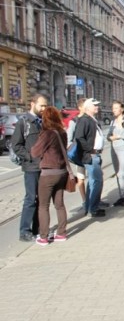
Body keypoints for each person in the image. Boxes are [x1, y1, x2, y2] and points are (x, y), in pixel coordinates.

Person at [30, 107, 70, 245]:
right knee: (59, 205)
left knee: (43, 206)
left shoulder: (47, 134)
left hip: (48, 174)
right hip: (62, 172)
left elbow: (35, 152)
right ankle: (61, 233)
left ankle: (44, 236)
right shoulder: (62, 133)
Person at [13, 94, 48, 241]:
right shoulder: (24, 122)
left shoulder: (44, 122)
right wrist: (29, 157)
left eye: (45, 106)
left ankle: (37, 229)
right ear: (32, 104)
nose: (44, 108)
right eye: (41, 105)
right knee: (30, 199)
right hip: (31, 168)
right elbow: (16, 145)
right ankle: (24, 231)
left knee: (41, 199)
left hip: (44, 167)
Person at [75, 98, 106, 217]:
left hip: (95, 154)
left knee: (93, 182)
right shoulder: (84, 120)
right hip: (91, 155)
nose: (97, 107)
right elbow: (79, 137)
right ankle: (93, 208)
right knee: (96, 181)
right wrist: (89, 149)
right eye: (95, 105)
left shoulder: (92, 120)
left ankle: (90, 206)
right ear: (88, 107)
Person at [107, 101, 124, 206]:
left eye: (116, 108)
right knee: (118, 174)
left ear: (122, 109)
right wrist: (113, 137)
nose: (114, 110)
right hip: (114, 149)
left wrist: (115, 136)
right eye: (113, 108)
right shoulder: (112, 122)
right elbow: (108, 136)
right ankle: (122, 196)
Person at [66, 98, 87, 210]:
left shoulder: (90, 119)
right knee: (81, 178)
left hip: (90, 153)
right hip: (80, 155)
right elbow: (68, 140)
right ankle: (84, 200)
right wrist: (73, 152)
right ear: (80, 107)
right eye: (86, 105)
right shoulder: (74, 121)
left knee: (95, 177)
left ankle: (93, 198)